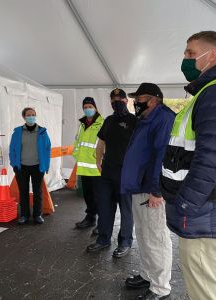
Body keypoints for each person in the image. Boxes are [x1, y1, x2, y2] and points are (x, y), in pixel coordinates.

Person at [161, 31, 216, 300]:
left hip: (205, 209)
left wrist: (187, 203)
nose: (185, 59)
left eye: (190, 53)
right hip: (205, 209)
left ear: (211, 55)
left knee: (207, 290)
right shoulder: (208, 93)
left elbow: (212, 159)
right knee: (202, 284)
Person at [121, 83, 175, 300]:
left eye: (140, 98)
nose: (136, 102)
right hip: (139, 187)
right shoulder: (146, 119)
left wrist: (157, 190)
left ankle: (161, 288)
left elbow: (163, 156)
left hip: (151, 190)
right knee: (144, 234)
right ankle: (147, 275)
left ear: (154, 99)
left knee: (156, 237)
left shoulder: (164, 118)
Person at [86, 88, 137, 258]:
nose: (117, 102)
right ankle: (103, 239)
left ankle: (125, 242)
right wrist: (98, 161)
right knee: (105, 208)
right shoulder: (108, 120)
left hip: (126, 174)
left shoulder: (135, 121)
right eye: (113, 99)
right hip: (107, 173)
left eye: (120, 99)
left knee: (126, 210)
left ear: (126, 100)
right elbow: (101, 143)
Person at [9, 107, 51, 225]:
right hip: (22, 167)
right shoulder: (17, 132)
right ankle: (24, 215)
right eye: (29, 115)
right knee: (23, 191)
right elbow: (12, 149)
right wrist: (14, 164)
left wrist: (46, 165)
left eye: (33, 114)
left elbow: (47, 149)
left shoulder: (42, 132)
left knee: (38, 191)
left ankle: (37, 215)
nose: (31, 117)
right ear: (24, 117)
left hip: (38, 166)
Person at [73, 97, 104, 232]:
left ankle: (102, 223)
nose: (87, 109)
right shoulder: (82, 124)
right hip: (84, 167)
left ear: (95, 107)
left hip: (97, 168)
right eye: (85, 107)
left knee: (100, 197)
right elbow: (77, 142)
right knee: (88, 195)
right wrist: (76, 155)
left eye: (90, 106)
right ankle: (90, 218)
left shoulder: (102, 123)